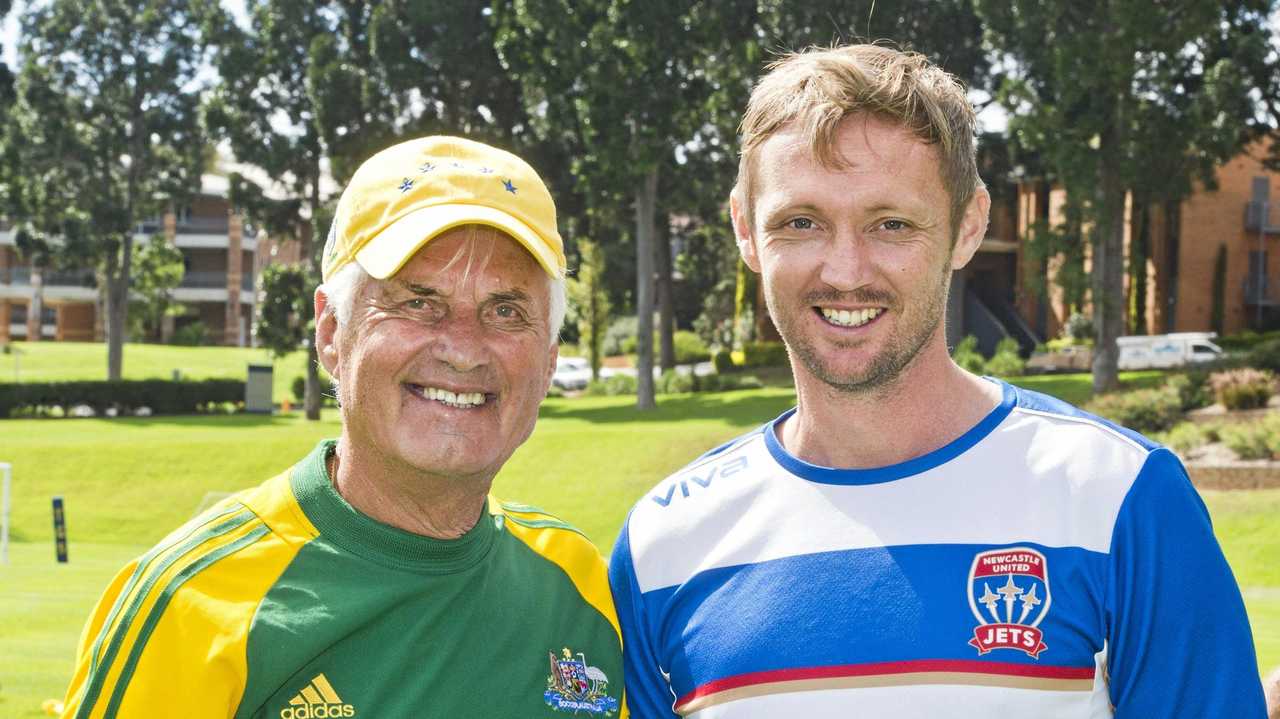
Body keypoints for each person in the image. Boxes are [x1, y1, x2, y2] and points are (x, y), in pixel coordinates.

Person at [608, 44, 1265, 718]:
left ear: (968, 225)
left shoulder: (1120, 497)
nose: (844, 270)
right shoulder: (665, 545)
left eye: (891, 223)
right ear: (746, 230)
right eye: (800, 222)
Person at [61, 136, 626, 718]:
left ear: (550, 358)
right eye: (417, 302)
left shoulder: (582, 587)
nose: (463, 350)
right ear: (331, 332)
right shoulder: (191, 602)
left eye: (505, 310)